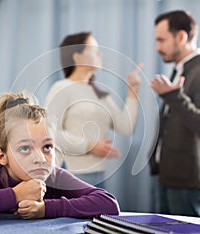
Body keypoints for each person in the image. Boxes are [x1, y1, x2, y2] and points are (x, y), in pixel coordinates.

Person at [0, 92, 120, 223]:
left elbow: (109, 204)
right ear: (2, 156)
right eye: (25, 148)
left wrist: (46, 209)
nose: (40, 158)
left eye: (47, 147)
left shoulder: (55, 177)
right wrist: (15, 195)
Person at [149, 10, 200, 217]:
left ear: (182, 37)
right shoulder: (182, 71)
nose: (157, 48)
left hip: (187, 181)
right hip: (169, 177)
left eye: (161, 40)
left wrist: (173, 96)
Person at [44, 32, 142, 188]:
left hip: (98, 175)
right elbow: (49, 133)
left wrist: (132, 93)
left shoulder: (99, 93)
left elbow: (126, 127)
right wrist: (89, 146)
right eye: (94, 49)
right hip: (70, 173)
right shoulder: (61, 88)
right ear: (77, 57)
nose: (100, 53)